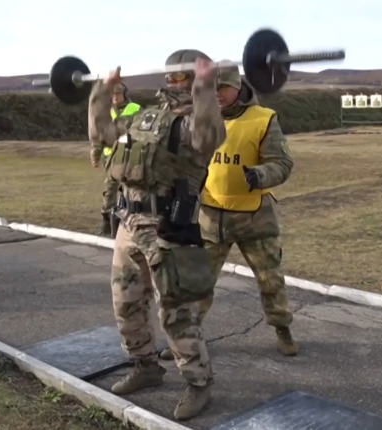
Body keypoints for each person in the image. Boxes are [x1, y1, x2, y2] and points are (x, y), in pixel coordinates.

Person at [87, 49, 226, 421]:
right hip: (129, 224)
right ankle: (145, 366)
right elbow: (102, 134)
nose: (171, 82)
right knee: (126, 303)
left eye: (180, 77)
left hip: (168, 227)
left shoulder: (196, 121)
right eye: (170, 76)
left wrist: (204, 88)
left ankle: (200, 384)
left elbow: (209, 138)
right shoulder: (146, 116)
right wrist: (102, 92)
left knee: (176, 311)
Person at [159, 62, 298, 361]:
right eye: (212, 89)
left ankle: (282, 328)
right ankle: (187, 340)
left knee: (270, 279)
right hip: (210, 215)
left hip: (254, 217)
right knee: (198, 283)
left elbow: (283, 163)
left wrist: (261, 175)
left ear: (239, 87)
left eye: (223, 88)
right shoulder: (198, 118)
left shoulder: (263, 119)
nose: (218, 95)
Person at [90, 83, 141, 237]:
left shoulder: (135, 109)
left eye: (118, 94)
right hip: (110, 157)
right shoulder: (106, 111)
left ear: (124, 94)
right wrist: (96, 153)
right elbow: (99, 134)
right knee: (111, 189)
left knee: (131, 188)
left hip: (129, 154)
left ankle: (129, 220)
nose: (115, 97)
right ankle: (107, 220)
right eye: (112, 94)